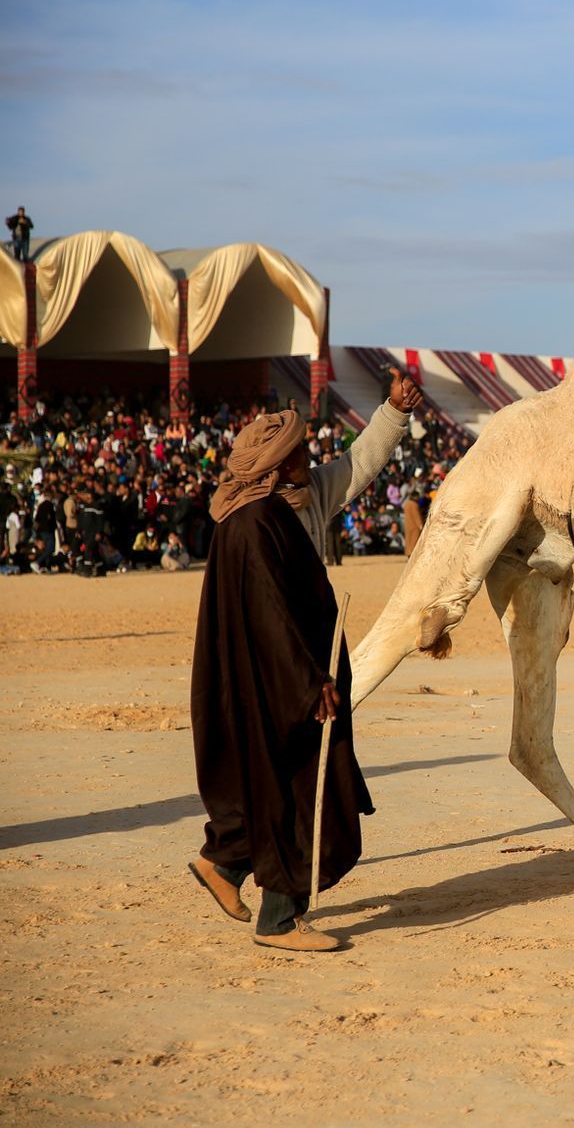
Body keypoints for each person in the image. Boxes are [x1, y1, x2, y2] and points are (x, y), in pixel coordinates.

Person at [188, 370, 422, 952]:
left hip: (288, 670)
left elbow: (358, 464)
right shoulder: (253, 524)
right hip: (279, 679)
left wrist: (394, 411)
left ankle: (225, 862)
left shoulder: (297, 497)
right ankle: (279, 920)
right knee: (295, 784)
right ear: (274, 465)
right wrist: (308, 683)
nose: (308, 458)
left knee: (267, 780)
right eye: (297, 452)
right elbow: (271, 615)